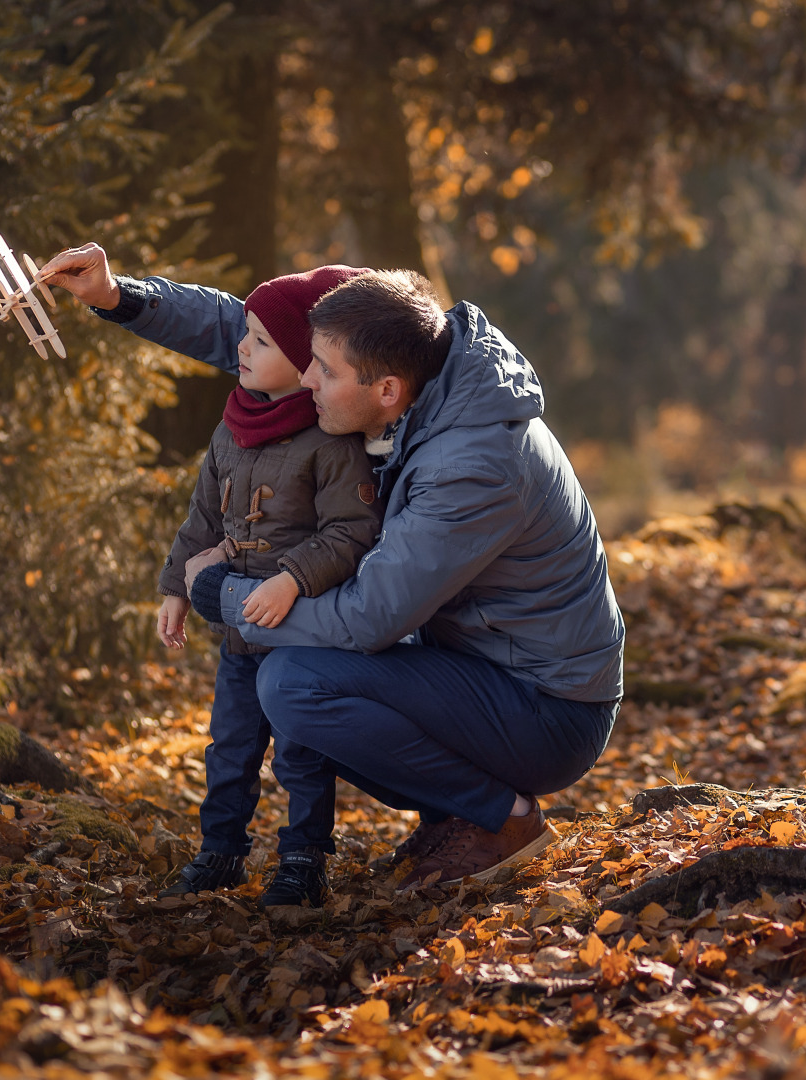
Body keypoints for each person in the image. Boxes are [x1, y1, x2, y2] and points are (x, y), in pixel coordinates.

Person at [39, 243, 624, 890]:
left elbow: (369, 618)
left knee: (295, 685)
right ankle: (454, 813)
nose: (306, 378)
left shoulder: (471, 465)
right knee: (297, 677)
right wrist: (116, 294)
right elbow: (254, 332)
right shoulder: (402, 350)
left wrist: (223, 596)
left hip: (545, 708)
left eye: (322, 370)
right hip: (477, 667)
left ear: (385, 390)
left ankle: (502, 818)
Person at [153, 265, 380, 907]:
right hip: (236, 635)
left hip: (300, 631)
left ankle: (304, 858)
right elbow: (203, 516)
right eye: (243, 336)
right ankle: (219, 851)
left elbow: (351, 529)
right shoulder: (232, 427)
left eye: (259, 342)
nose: (242, 351)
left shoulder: (329, 441)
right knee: (230, 746)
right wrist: (176, 587)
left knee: (301, 754)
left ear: (304, 359)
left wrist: (292, 578)